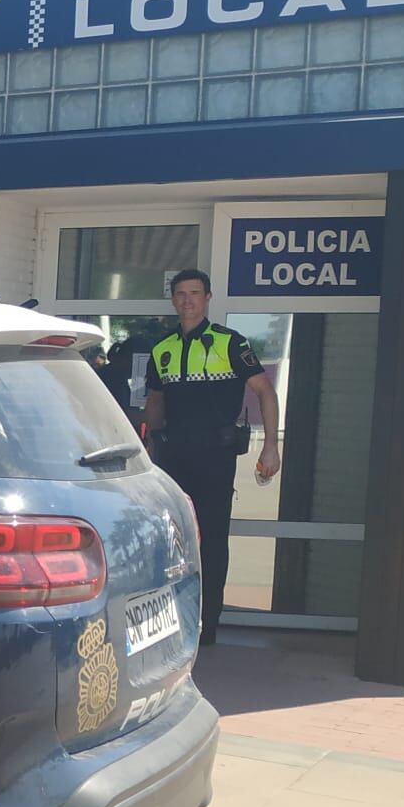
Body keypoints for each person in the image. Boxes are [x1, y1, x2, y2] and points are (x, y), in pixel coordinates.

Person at [144, 269, 281, 646]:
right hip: (173, 458)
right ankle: (171, 617)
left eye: (195, 293)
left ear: (207, 298)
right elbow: (155, 401)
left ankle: (208, 622)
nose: (187, 300)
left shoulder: (230, 343)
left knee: (213, 539)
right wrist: (151, 448)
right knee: (172, 540)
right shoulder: (162, 349)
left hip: (215, 458)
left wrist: (271, 445)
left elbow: (265, 392)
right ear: (173, 299)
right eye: (181, 293)